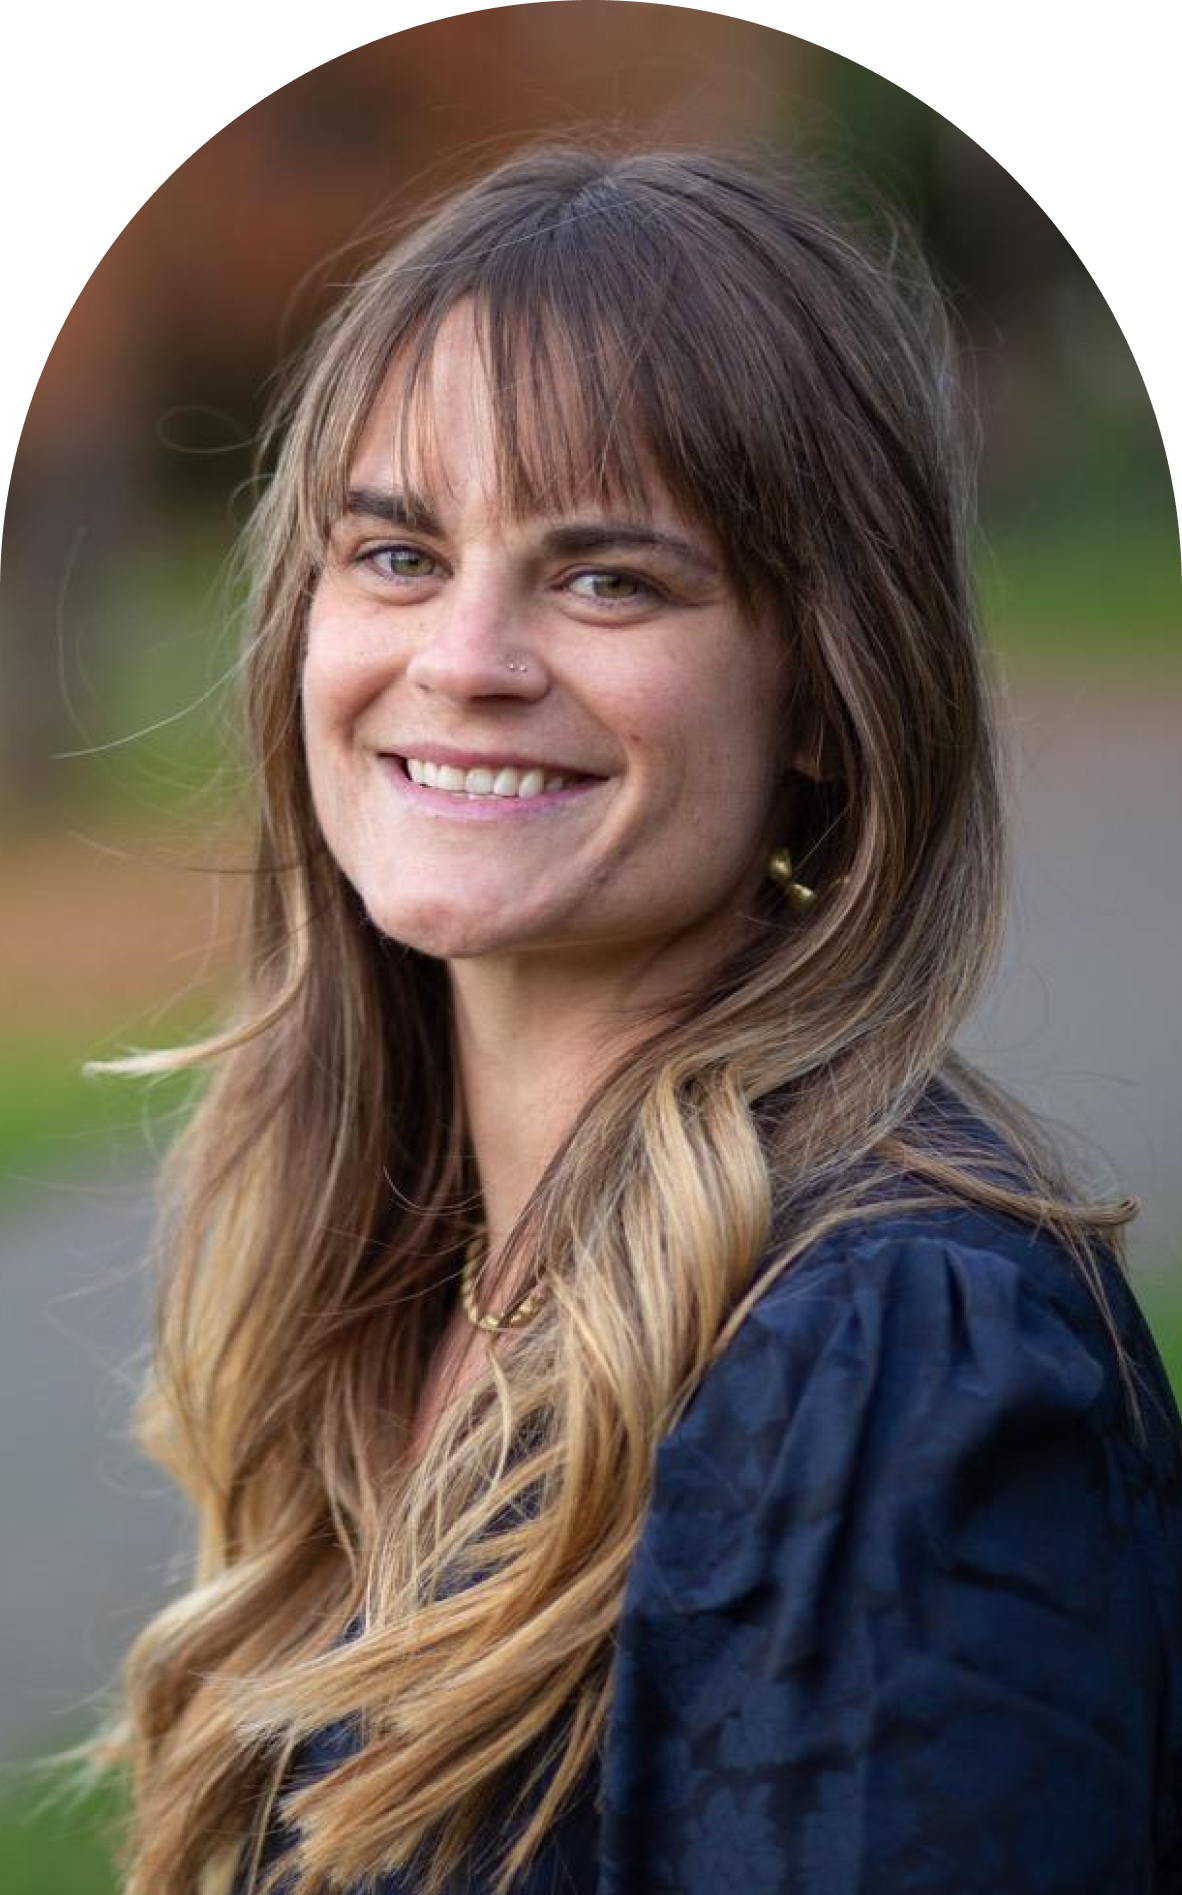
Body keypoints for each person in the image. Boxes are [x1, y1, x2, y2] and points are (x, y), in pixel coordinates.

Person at [72, 140, 1181, 1894]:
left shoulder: (896, 1353)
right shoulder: (396, 1266)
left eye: (608, 578)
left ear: (825, 689)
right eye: (397, 551)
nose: (468, 655)